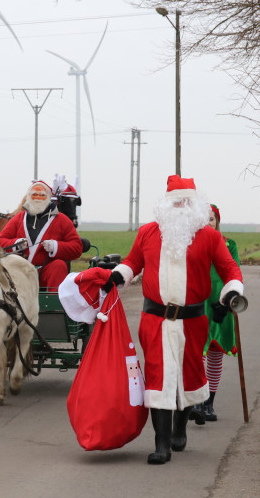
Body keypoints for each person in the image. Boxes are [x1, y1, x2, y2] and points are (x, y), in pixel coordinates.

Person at [104, 175, 243, 465]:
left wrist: (231, 292)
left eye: (186, 201)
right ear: (167, 203)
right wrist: (120, 274)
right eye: (176, 201)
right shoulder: (147, 233)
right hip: (154, 318)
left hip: (193, 320)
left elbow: (229, 269)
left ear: (195, 204)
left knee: (187, 376)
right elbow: (133, 262)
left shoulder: (209, 236)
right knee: (158, 377)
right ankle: (161, 444)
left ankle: (181, 427)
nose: (181, 206)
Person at [193, 204, 241, 422]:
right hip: (198, 303)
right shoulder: (193, 243)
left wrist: (227, 301)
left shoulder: (229, 244)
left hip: (220, 303)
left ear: (217, 221)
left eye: (211, 219)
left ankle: (209, 402)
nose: (208, 223)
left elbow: (234, 272)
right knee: (197, 353)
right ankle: (196, 400)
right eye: (204, 219)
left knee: (214, 354)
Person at [0, 180, 83, 291]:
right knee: (8, 264)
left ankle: (54, 304)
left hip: (46, 271)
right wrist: (16, 244)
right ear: (28, 197)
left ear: (49, 197)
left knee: (59, 265)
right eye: (34, 194)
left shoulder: (62, 220)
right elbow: (0, 242)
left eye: (42, 195)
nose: (37, 198)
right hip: (21, 271)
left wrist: (55, 246)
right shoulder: (18, 218)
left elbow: (77, 248)